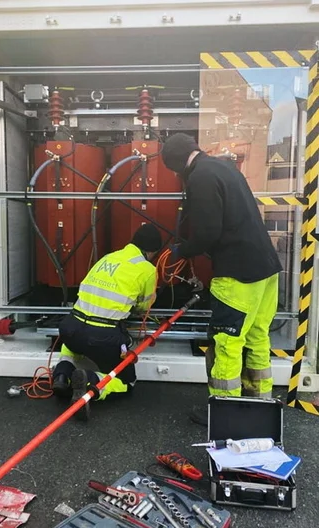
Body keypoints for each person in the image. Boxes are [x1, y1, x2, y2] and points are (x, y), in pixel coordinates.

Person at [160, 133, 282, 426]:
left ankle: (224, 411)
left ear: (177, 164)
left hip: (238, 273)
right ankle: (258, 404)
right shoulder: (224, 167)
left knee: (227, 342)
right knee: (257, 337)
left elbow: (208, 233)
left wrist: (183, 250)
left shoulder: (200, 177)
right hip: (265, 268)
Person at [51, 224, 162, 421]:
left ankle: (62, 376)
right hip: (102, 337)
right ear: (152, 251)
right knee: (126, 381)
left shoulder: (107, 258)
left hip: (70, 327)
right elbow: (144, 306)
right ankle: (90, 380)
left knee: (71, 346)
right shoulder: (147, 269)